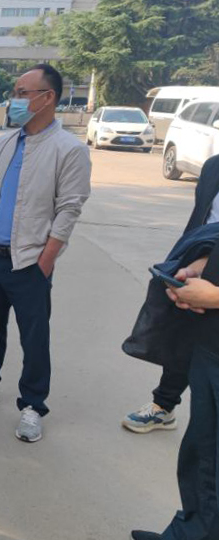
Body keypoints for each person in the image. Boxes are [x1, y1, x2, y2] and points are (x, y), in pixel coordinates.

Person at [0, 64, 92, 443]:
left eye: (23, 93)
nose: (15, 99)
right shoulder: (6, 142)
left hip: (29, 262)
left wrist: (46, 261)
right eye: (15, 92)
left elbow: (69, 210)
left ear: (48, 98)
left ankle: (33, 405)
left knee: (34, 337)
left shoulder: (70, 150)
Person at [122, 155, 219, 434]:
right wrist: (192, 266)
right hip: (203, 271)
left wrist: (215, 297)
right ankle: (163, 405)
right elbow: (203, 227)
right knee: (183, 338)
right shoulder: (214, 168)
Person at [132, 248, 219, 540]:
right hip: (209, 345)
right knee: (202, 457)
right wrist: (201, 267)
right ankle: (188, 533)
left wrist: (214, 296)